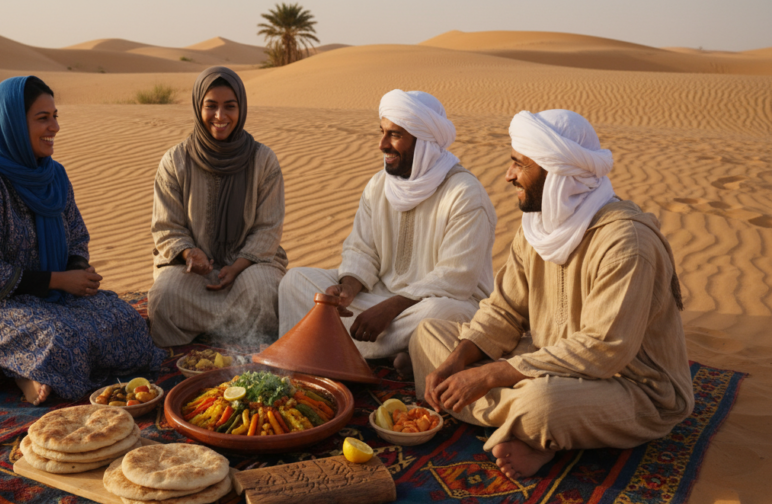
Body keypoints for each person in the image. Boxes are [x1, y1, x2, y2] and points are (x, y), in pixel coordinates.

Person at [411, 109, 694, 480]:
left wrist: (489, 376)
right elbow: (505, 310)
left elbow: (604, 350)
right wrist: (458, 361)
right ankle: (528, 431)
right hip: (547, 362)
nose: (509, 175)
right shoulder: (537, 226)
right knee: (427, 337)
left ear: (557, 173)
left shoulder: (626, 242)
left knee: (541, 405)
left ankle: (534, 427)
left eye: (519, 165)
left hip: (632, 386)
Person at [0, 76, 164, 406]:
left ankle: (39, 366)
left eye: (55, 116)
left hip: (55, 293)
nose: (55, 127)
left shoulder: (53, 176)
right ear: (12, 122)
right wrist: (62, 280)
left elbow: (77, 236)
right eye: (43, 118)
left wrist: (78, 271)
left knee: (126, 322)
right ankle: (23, 373)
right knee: (63, 339)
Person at [278, 90, 496, 373]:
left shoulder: (464, 194)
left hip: (439, 303)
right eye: (381, 132)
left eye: (395, 135)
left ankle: (344, 349)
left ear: (424, 141)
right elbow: (362, 249)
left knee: (438, 317)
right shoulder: (379, 185)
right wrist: (348, 288)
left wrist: (391, 308)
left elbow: (457, 277)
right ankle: (400, 352)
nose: (382, 144)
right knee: (295, 282)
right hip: (378, 296)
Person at [148, 66, 288, 347]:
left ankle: (230, 338)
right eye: (211, 106)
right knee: (164, 297)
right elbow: (166, 227)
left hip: (248, 267)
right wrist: (190, 253)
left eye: (230, 107)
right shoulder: (175, 161)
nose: (220, 117)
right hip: (192, 271)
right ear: (198, 106)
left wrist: (236, 267)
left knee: (265, 293)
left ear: (242, 108)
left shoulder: (263, 161)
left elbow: (267, 229)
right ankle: (225, 332)